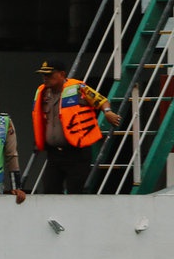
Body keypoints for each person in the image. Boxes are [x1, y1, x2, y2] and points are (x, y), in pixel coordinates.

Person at [32, 59, 121, 194]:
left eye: (49, 74)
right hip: (54, 154)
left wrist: (107, 112)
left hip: (77, 153)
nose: (45, 78)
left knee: (75, 192)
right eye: (43, 74)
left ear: (62, 74)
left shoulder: (78, 88)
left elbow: (100, 100)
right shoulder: (42, 93)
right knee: (50, 190)